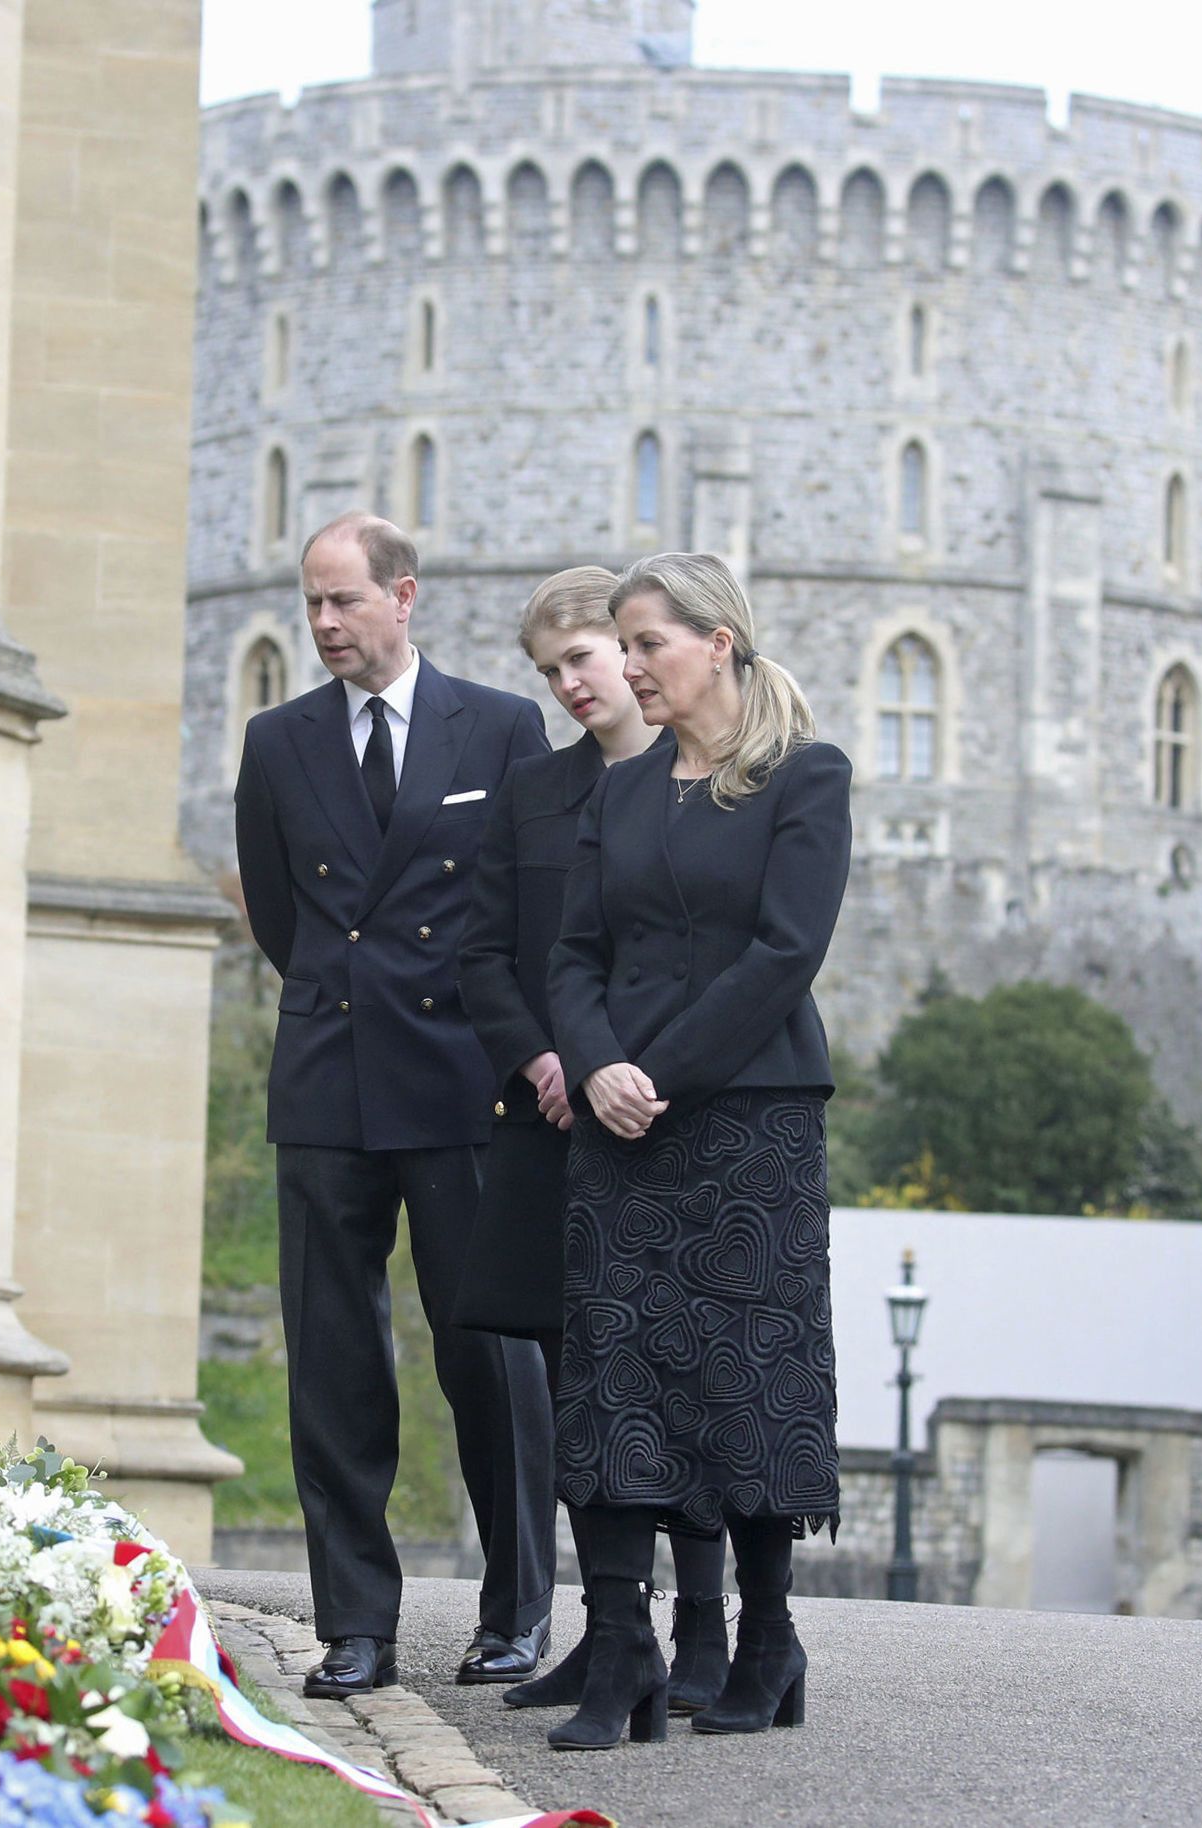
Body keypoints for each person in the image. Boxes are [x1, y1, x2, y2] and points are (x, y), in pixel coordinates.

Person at [232, 512, 559, 1699]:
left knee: (490, 1354)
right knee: (334, 1360)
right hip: (327, 1075)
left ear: (402, 596)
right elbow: (279, 917)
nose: (322, 624)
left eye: (342, 602)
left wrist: (515, 1052)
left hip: (465, 1078)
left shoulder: (502, 726)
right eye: (309, 604)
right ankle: (354, 1624)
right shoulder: (277, 743)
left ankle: (516, 1612)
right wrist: (343, 998)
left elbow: (529, 910)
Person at [542, 552, 851, 1750]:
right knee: (615, 1371)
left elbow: (783, 954)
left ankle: (768, 1640)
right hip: (619, 1121)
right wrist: (595, 1063)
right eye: (619, 646)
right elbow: (570, 956)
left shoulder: (801, 778)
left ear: (716, 641)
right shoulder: (617, 794)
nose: (626, 667)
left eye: (646, 644)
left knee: (744, 1373)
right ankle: (620, 1640)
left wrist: (654, 1076)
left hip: (747, 1122)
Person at [453, 567, 734, 1716]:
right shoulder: (531, 793)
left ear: (633, 652)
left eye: (583, 656)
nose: (570, 682)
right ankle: (610, 1629)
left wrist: (636, 1067)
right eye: (550, 669)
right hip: (551, 1119)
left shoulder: (713, 785)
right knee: (576, 1385)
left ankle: (702, 1627)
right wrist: (545, 1059)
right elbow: (483, 953)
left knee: (687, 1376)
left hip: (672, 1115)